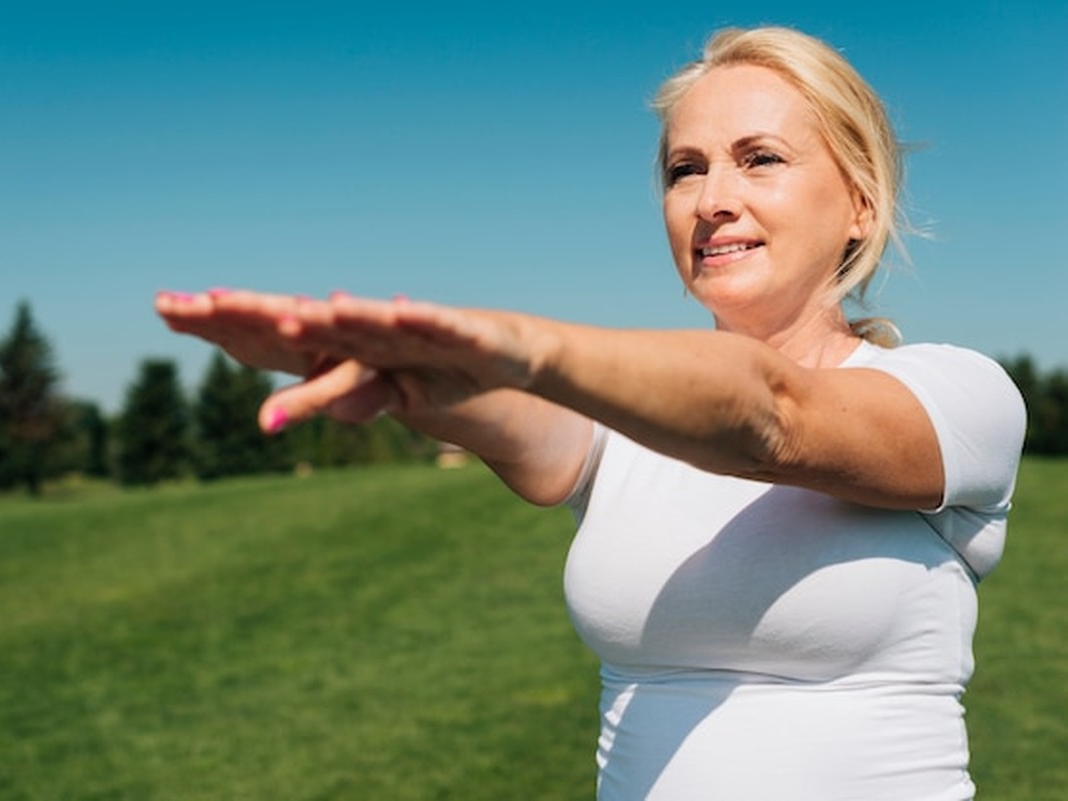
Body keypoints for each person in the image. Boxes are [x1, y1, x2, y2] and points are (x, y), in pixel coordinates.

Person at [155, 26, 1025, 800]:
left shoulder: (960, 397)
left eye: (759, 157)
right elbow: (496, 408)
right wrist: (395, 365)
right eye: (686, 169)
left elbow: (772, 415)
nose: (711, 197)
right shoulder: (626, 422)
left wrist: (521, 343)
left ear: (861, 204)